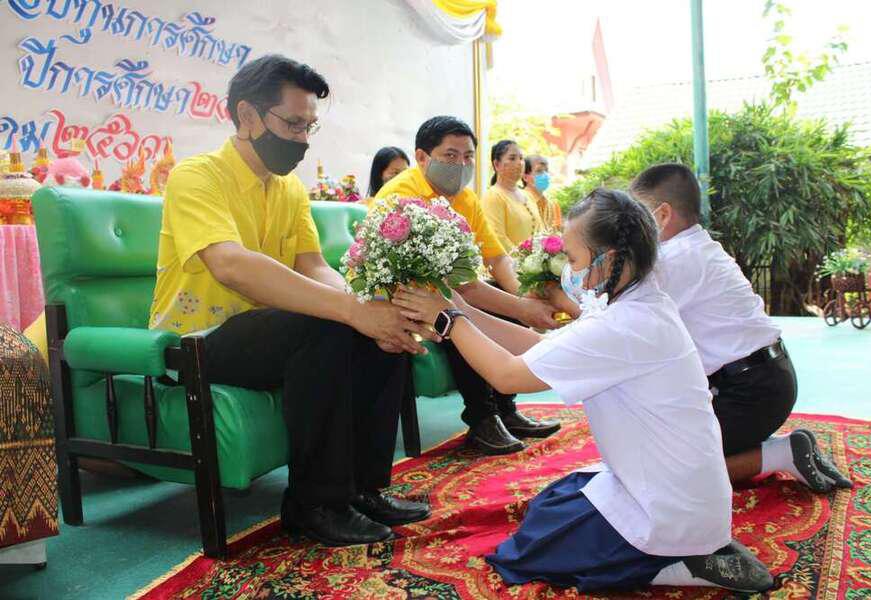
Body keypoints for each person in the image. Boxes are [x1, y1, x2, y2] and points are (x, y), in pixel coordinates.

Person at [391, 189, 773, 594]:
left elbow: (507, 376)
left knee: (527, 554)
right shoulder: (636, 304)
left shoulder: (625, 325)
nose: (568, 273)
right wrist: (463, 310)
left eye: (572, 260)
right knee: (550, 507)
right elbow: (539, 348)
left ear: (608, 259)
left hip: (670, 506)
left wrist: (448, 320)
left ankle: (681, 562)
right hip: (672, 488)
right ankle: (687, 549)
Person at [148, 54, 432, 547]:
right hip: (198, 342)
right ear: (248, 115)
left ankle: (362, 489)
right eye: (293, 124)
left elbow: (314, 266)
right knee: (326, 323)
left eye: (309, 127)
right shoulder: (197, 176)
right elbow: (230, 265)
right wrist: (350, 311)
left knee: (374, 327)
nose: (302, 139)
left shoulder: (290, 190)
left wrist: (370, 310)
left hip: (270, 333)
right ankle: (313, 504)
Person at [627, 163, 852, 492]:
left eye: (638, 216)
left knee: (665, 471)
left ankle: (783, 454)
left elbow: (623, 321)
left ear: (662, 215)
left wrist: (561, 297)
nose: (632, 229)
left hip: (752, 393)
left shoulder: (678, 259)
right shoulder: (695, 247)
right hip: (761, 380)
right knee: (661, 439)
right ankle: (761, 445)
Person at [375, 116, 561, 455]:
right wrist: (522, 307)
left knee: (494, 299)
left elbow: (497, 259)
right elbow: (453, 286)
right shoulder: (401, 197)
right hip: (402, 295)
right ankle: (482, 418)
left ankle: (505, 408)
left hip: (447, 289)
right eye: (450, 155)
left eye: (468, 156)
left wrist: (524, 298)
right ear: (422, 157)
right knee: (454, 316)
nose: (461, 165)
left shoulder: (465, 198)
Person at [482, 140, 546, 252]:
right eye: (512, 158)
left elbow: (541, 232)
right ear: (497, 164)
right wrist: (521, 259)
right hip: (508, 261)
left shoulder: (528, 195)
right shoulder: (493, 196)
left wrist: (543, 255)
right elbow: (498, 238)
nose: (520, 163)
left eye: (521, 158)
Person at [524, 154, 562, 230]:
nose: (545, 175)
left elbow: (557, 233)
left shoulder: (553, 205)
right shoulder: (518, 201)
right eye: (539, 171)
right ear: (525, 177)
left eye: (546, 170)